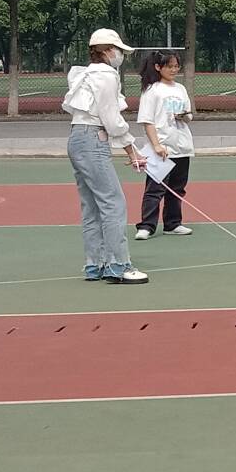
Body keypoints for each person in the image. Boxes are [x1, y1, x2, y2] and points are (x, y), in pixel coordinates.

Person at [61, 28, 150, 284]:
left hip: (78, 138)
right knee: (113, 203)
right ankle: (118, 265)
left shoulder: (86, 73)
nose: (121, 55)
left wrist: (129, 148)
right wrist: (132, 149)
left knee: (92, 205)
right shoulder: (105, 75)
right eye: (119, 50)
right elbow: (111, 119)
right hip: (92, 138)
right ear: (108, 50)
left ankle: (96, 264)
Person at [134, 51, 194, 240]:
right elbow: (147, 121)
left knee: (177, 188)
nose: (174, 70)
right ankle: (146, 226)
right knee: (155, 189)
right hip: (161, 148)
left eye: (176, 66)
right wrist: (156, 145)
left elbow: (189, 115)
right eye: (169, 66)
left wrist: (184, 116)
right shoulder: (152, 90)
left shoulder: (180, 89)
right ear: (158, 67)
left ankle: (173, 223)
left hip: (181, 146)